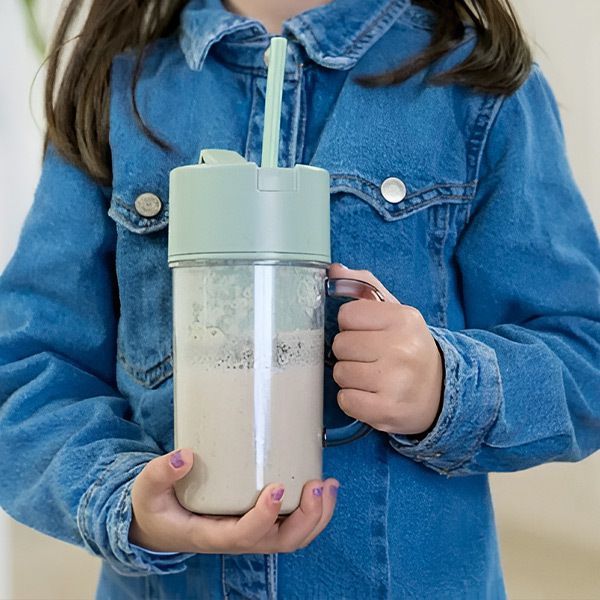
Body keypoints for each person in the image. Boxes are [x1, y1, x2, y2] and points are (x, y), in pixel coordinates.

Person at [1, 0, 598, 598]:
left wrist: (448, 386)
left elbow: (584, 354)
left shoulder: (476, 86)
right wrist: (124, 499)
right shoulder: (119, 88)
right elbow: (26, 369)